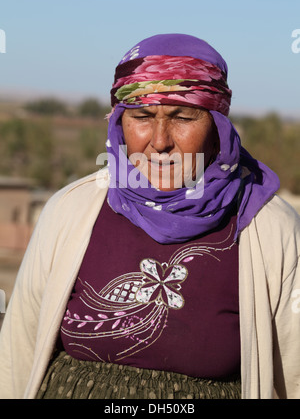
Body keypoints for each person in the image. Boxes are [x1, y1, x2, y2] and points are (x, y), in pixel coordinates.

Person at [0, 33, 299, 400]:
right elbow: (17, 353)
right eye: (142, 116)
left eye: (183, 117)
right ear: (119, 123)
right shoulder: (71, 210)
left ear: (218, 125)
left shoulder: (268, 228)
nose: (159, 141)